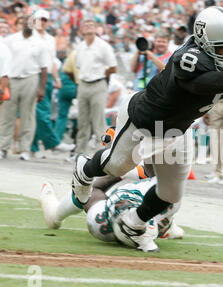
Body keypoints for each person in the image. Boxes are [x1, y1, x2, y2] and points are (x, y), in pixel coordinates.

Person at [71, 6, 223, 252]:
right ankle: (84, 169)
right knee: (116, 166)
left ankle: (132, 224)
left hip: (177, 129)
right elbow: (216, 82)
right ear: (204, 43)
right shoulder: (188, 59)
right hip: (144, 120)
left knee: (170, 193)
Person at [40, 164, 184, 252]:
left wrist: (119, 174)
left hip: (108, 222)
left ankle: (56, 214)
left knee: (91, 189)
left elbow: (95, 188)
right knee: (164, 193)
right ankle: (166, 225)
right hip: (146, 225)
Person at [0, 15, 48, 161]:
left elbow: (44, 68)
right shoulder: (10, 40)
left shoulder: (40, 43)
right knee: (8, 115)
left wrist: (42, 89)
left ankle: (25, 149)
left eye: (31, 22)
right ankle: (3, 148)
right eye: (24, 22)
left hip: (31, 78)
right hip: (12, 79)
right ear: (20, 24)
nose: (27, 24)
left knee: (28, 115)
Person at [31, 10, 75, 159]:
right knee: (40, 112)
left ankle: (34, 146)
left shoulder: (50, 39)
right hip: (33, 74)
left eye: (45, 19)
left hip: (47, 77)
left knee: (41, 113)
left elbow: (52, 61)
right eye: (39, 19)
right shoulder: (29, 36)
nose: (42, 22)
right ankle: (53, 142)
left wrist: (57, 79)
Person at [75, 18, 117, 155]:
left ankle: (101, 153)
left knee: (98, 121)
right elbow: (79, 66)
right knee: (82, 121)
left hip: (98, 83)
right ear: (82, 29)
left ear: (96, 29)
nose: (88, 27)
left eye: (91, 25)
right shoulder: (80, 47)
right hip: (83, 84)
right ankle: (80, 152)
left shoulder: (103, 46)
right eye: (86, 25)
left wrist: (103, 74)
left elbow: (113, 67)